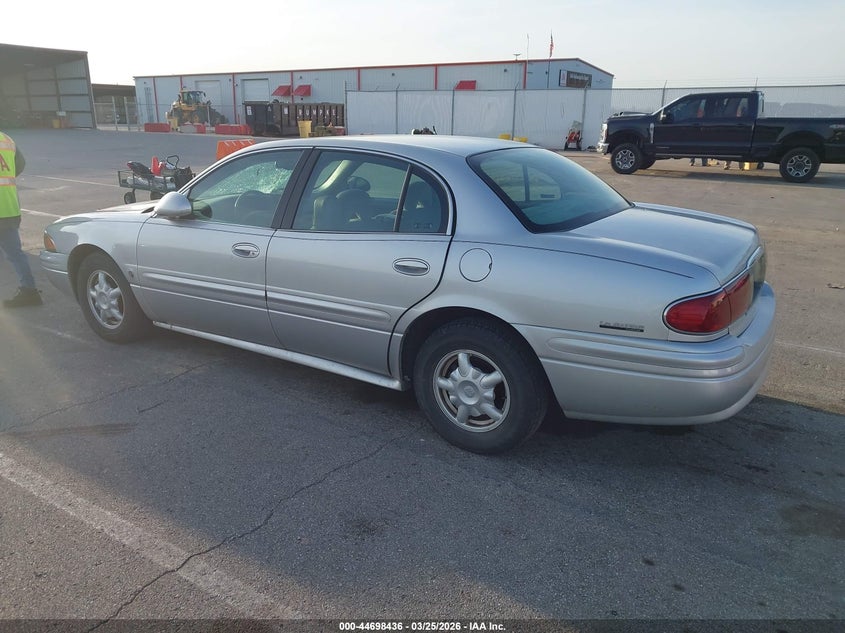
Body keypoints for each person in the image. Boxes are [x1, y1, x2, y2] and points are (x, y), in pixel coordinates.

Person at [0, 130, 42, 308]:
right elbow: (20, 164)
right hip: (8, 206)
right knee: (15, 254)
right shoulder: (6, 139)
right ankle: (29, 291)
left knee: (14, 253)